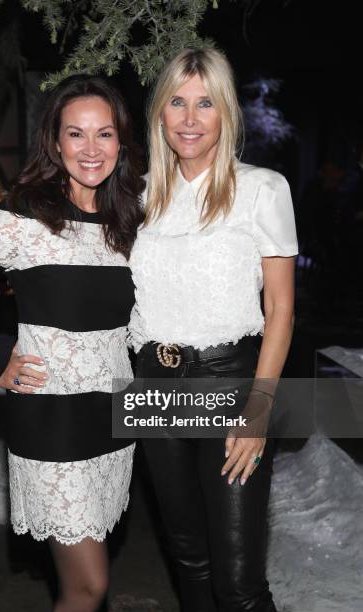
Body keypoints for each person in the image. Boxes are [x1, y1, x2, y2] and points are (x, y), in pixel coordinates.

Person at [0, 75, 144, 612]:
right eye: (76, 134)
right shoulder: (25, 218)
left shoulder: (128, 220)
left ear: (120, 142)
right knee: (89, 586)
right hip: (52, 422)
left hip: (114, 415)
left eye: (104, 134)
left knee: (86, 581)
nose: (91, 149)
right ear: (55, 142)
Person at [127, 46, 298, 611]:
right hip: (153, 388)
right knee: (190, 564)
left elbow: (280, 309)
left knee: (239, 584)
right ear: (160, 113)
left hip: (229, 388)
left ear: (225, 112)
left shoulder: (262, 189)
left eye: (206, 103)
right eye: (177, 102)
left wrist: (260, 408)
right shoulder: (139, 195)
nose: (191, 118)